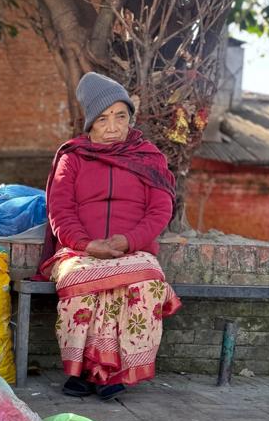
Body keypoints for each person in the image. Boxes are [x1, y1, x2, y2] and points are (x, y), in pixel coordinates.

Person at [40, 72, 181, 400]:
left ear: (130, 118)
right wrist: (87, 244)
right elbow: (60, 211)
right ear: (90, 124)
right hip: (79, 250)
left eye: (121, 116)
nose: (113, 126)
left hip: (133, 250)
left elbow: (160, 210)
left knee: (145, 283)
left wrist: (128, 241)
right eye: (103, 119)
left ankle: (114, 372)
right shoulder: (72, 158)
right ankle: (83, 371)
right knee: (81, 283)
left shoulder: (149, 158)